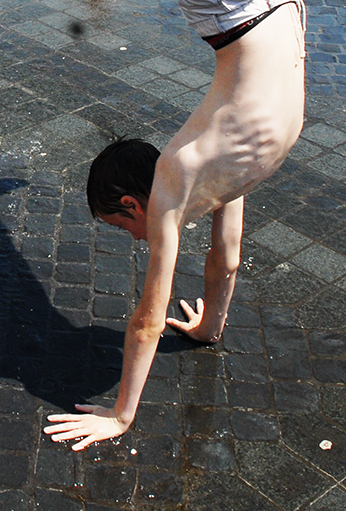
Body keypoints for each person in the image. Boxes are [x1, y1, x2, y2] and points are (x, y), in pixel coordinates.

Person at [44, 0, 306, 451]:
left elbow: (149, 320)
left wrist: (121, 415)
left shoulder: (180, 172)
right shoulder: (215, 160)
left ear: (132, 202)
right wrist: (208, 329)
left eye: (123, 226)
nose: (134, 238)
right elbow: (226, 257)